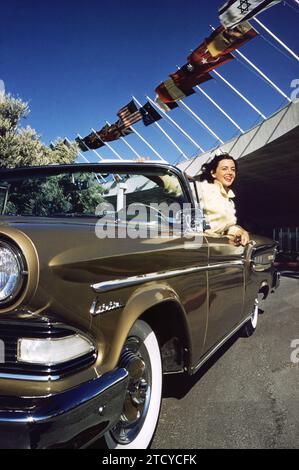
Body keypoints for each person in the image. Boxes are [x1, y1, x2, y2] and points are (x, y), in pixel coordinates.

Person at [195, 153, 249, 246]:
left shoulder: (229, 201)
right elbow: (176, 187)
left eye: (233, 169)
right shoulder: (205, 189)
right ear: (213, 173)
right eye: (224, 169)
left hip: (217, 248)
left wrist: (240, 231)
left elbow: (225, 227)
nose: (230, 173)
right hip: (202, 246)